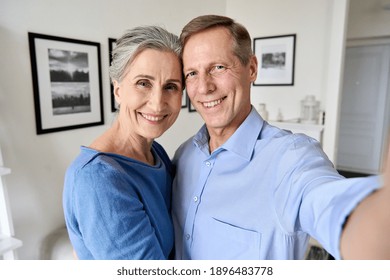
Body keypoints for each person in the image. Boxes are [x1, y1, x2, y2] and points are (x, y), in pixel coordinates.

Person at [172, 14, 390, 260]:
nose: (204, 87)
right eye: (192, 73)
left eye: (218, 67)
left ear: (251, 69)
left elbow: (332, 206)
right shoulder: (184, 155)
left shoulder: (291, 159)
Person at [63, 25, 184, 259]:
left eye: (170, 86)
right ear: (118, 90)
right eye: (143, 83)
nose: (158, 104)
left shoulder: (153, 152)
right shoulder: (98, 179)